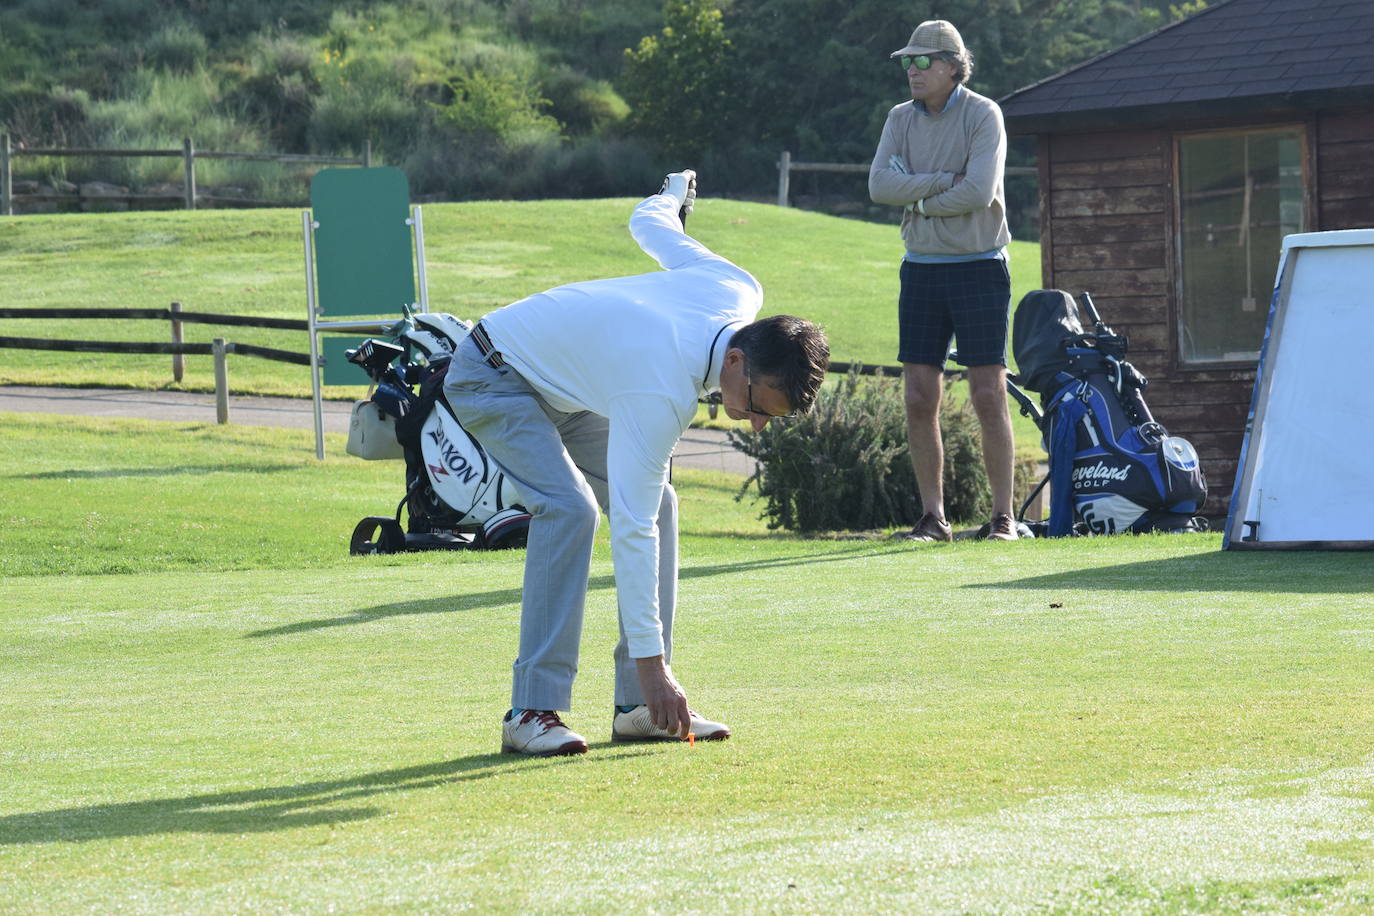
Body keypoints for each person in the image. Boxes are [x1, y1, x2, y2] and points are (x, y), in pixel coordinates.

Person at [443, 171, 830, 756]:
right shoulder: (662, 393)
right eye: (757, 406)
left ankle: (637, 709)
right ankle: (531, 710)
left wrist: (672, 194)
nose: (754, 424)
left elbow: (648, 224)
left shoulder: (735, 286)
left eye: (766, 419)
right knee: (571, 508)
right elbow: (630, 526)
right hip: (493, 373)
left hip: (574, 389)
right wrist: (657, 665)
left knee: (664, 503)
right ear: (735, 360)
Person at [868, 19, 1018, 542]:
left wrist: (916, 197)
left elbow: (977, 191)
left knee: (986, 393)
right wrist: (934, 188)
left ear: (954, 67)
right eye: (907, 61)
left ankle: (1003, 517)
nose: (912, 70)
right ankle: (934, 518)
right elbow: (879, 185)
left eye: (923, 61)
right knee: (917, 395)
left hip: (980, 266)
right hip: (922, 269)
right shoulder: (898, 118)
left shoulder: (984, 114)